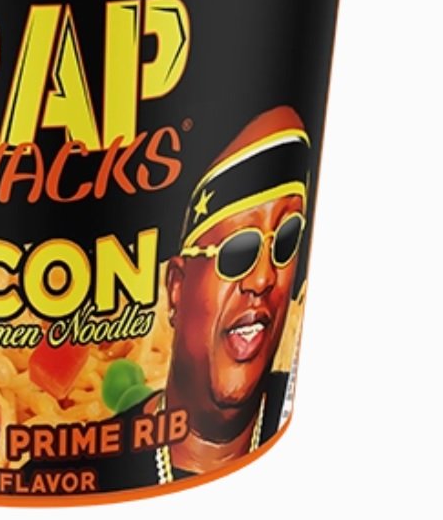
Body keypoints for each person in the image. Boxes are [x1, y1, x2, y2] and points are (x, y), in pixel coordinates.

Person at [17, 106, 310, 493]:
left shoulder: (291, 412)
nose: (262, 278)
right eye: (237, 252)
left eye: (286, 241)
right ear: (176, 287)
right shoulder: (58, 470)